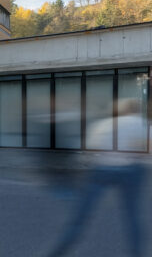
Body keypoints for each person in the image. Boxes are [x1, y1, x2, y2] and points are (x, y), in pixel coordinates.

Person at [45, 98, 147, 257]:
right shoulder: (142, 124)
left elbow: (89, 149)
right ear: (135, 110)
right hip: (131, 170)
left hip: (102, 169)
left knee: (81, 217)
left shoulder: (104, 124)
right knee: (132, 216)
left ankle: (58, 252)